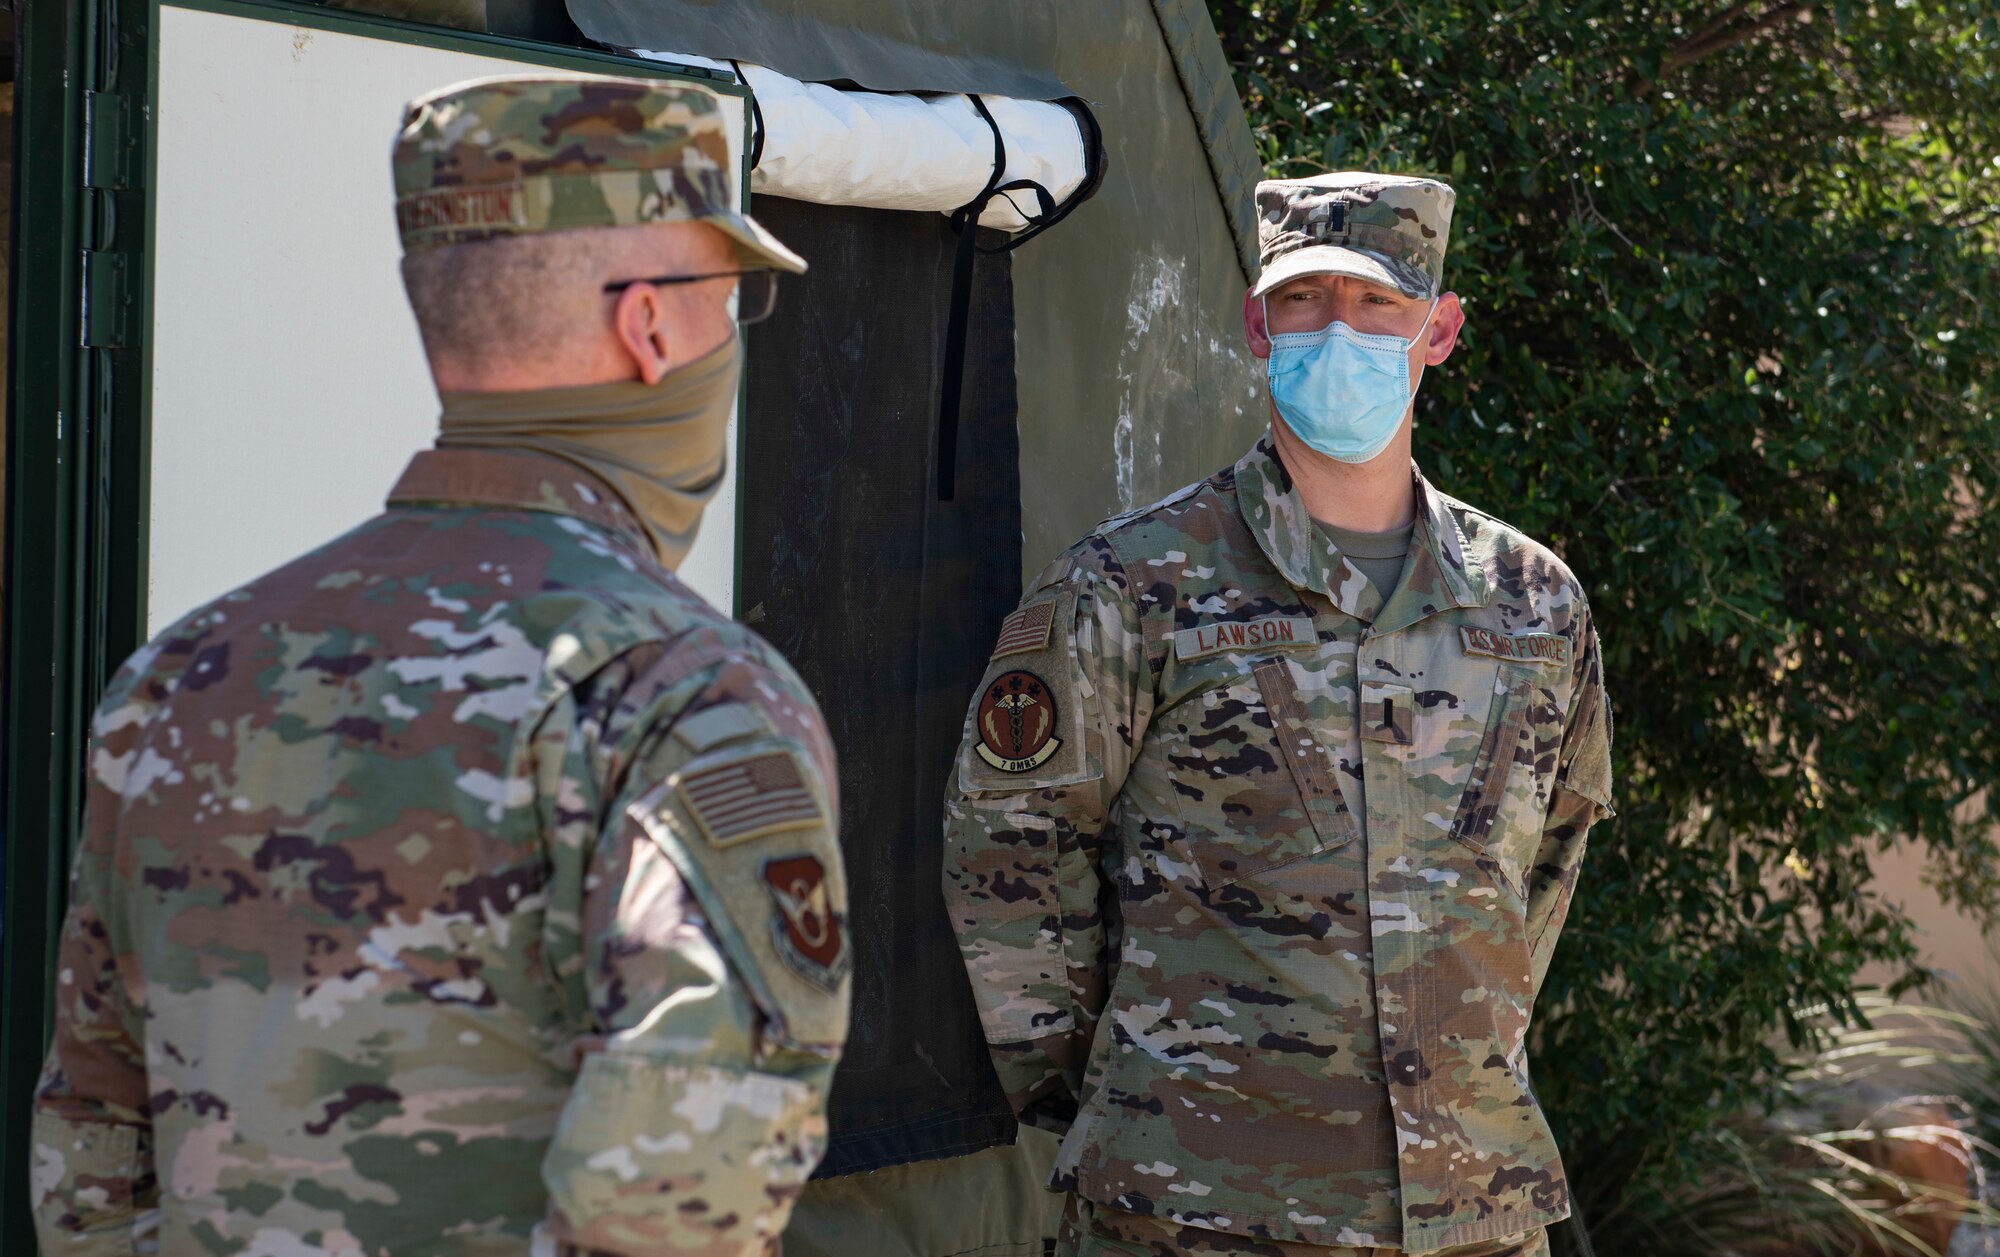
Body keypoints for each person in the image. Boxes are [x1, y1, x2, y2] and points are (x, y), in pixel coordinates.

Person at [30, 75, 850, 1255]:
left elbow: (93, 1149)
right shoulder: (684, 691)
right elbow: (674, 1192)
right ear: (653, 327)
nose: (731, 336)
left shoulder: (178, 676)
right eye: (732, 301)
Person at [941, 171, 1615, 1257]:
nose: (1335, 332)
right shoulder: (1132, 586)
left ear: (1436, 331)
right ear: (1257, 325)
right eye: (1303, 303)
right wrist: (1129, 1092)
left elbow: (1542, 870)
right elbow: (1008, 848)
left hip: (1465, 1211)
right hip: (1195, 1207)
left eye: (1375, 305)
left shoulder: (1532, 603)